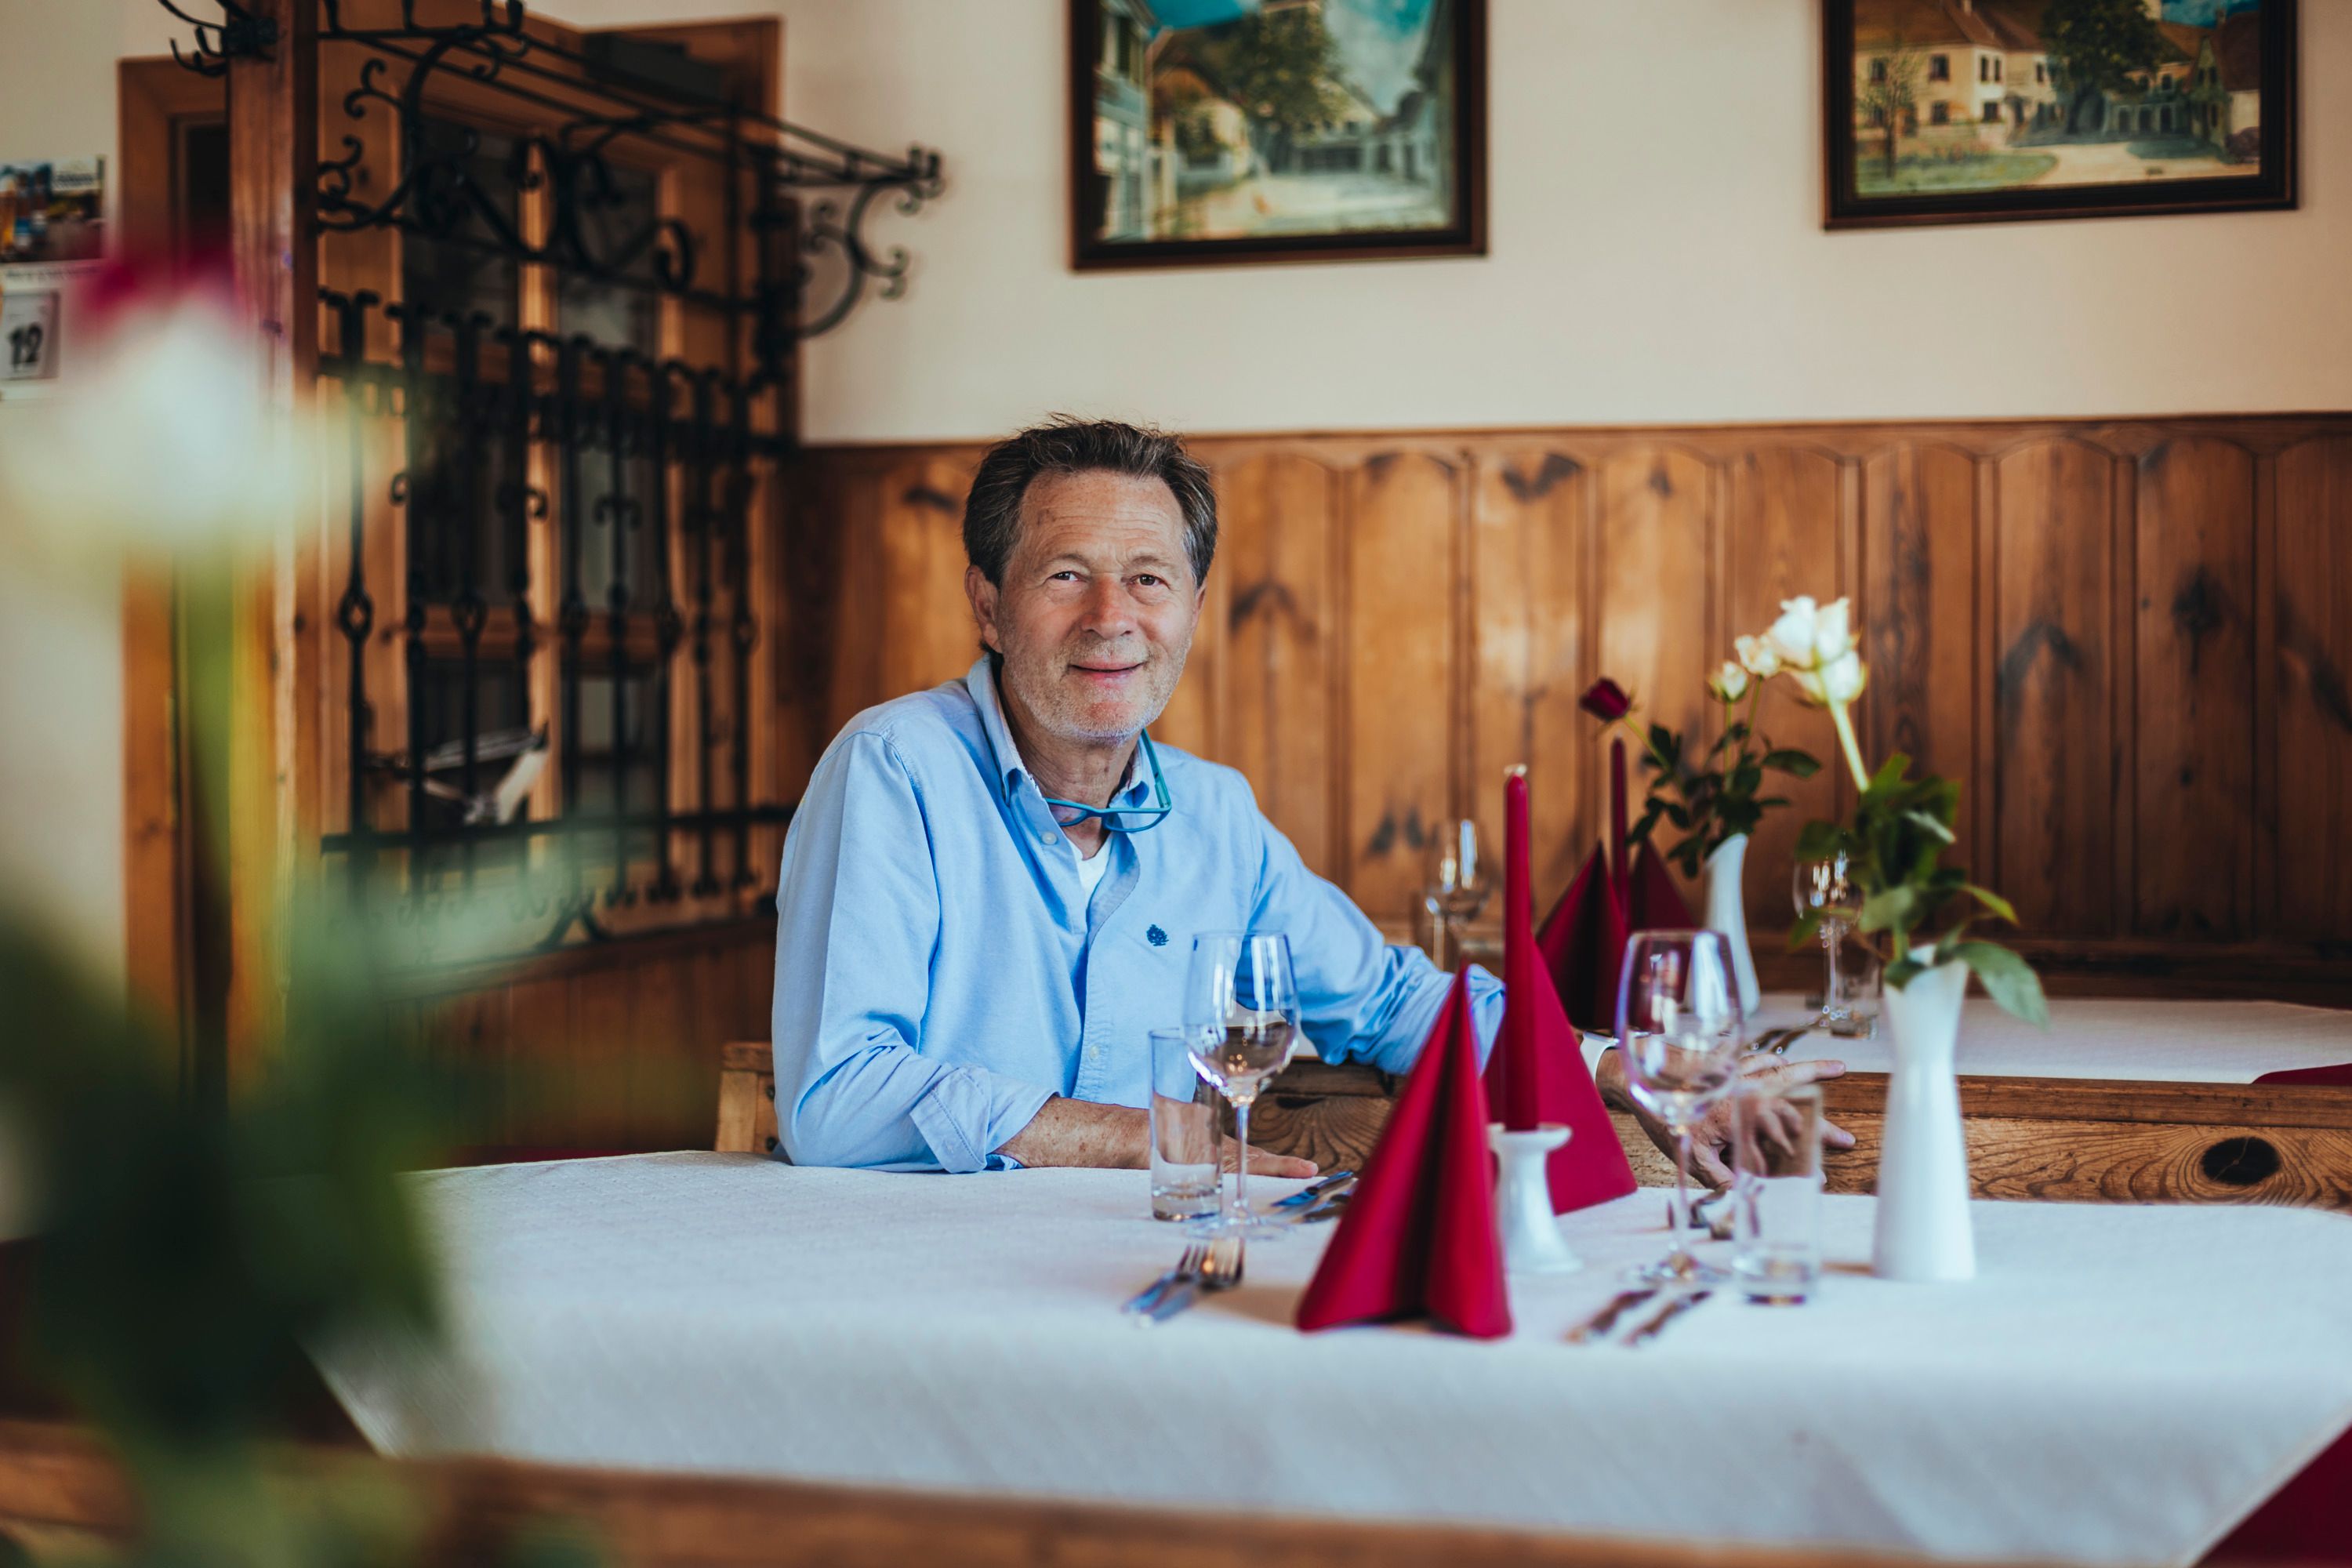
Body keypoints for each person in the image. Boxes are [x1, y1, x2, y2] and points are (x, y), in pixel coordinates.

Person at [769, 417, 1846, 1175]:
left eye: (1149, 578)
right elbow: (835, 1104)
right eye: (1064, 575)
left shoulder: (1214, 815)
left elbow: (1388, 1005)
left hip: (1139, 1261)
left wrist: (1642, 1070)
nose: (1113, 616)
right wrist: (1144, 1133)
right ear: (990, 606)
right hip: (919, 1282)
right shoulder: (895, 769)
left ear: (1191, 606)